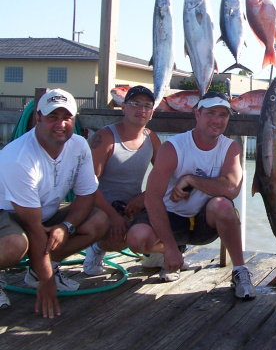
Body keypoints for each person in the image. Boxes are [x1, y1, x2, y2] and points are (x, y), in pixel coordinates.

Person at [125, 91, 256, 299]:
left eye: (223, 115)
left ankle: (240, 270)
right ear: (197, 115)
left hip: (204, 223)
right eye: (211, 113)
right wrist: (169, 247)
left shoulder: (230, 147)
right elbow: (152, 198)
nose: (217, 120)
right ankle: (169, 252)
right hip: (170, 217)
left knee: (223, 205)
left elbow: (232, 189)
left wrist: (192, 179)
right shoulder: (173, 147)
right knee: (136, 238)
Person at [0, 89, 108, 318]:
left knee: (99, 220)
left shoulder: (79, 145)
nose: (60, 124)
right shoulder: (19, 157)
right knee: (16, 245)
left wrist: (65, 227)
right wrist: (48, 281)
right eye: (52, 117)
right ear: (37, 118)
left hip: (44, 213)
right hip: (7, 213)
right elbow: (32, 226)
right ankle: (42, 271)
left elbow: (87, 195)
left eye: (66, 117)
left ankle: (37, 270)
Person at [82, 86, 161, 275]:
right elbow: (87, 186)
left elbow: (165, 178)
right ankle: (95, 247)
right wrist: (112, 216)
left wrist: (144, 197)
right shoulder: (105, 137)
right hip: (102, 207)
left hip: (134, 206)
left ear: (152, 112)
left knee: (173, 213)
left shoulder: (151, 138)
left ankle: (158, 255)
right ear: (123, 107)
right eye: (135, 104)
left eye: (147, 106)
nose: (141, 110)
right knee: (117, 238)